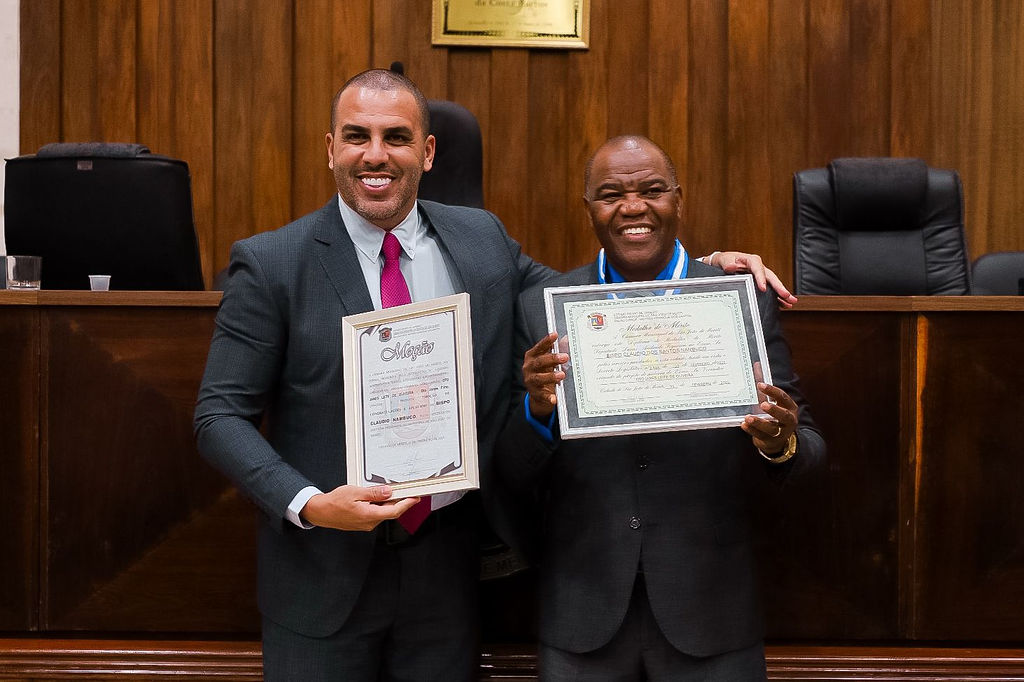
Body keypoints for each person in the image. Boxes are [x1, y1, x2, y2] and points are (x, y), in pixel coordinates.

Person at [194, 68, 798, 681]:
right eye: (357, 136)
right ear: (331, 149)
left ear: (427, 153)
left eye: (397, 137)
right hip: (319, 578)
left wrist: (702, 273)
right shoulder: (272, 263)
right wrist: (311, 504)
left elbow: (589, 299)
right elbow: (218, 416)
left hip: (446, 575)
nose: (376, 155)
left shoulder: (480, 241)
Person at [495, 135, 826, 681]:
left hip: (712, 617)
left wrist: (778, 441)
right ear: (589, 210)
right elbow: (509, 469)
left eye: (652, 190)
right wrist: (537, 410)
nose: (632, 207)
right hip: (583, 619)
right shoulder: (542, 310)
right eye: (610, 194)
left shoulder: (736, 298)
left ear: (679, 199)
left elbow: (810, 452)